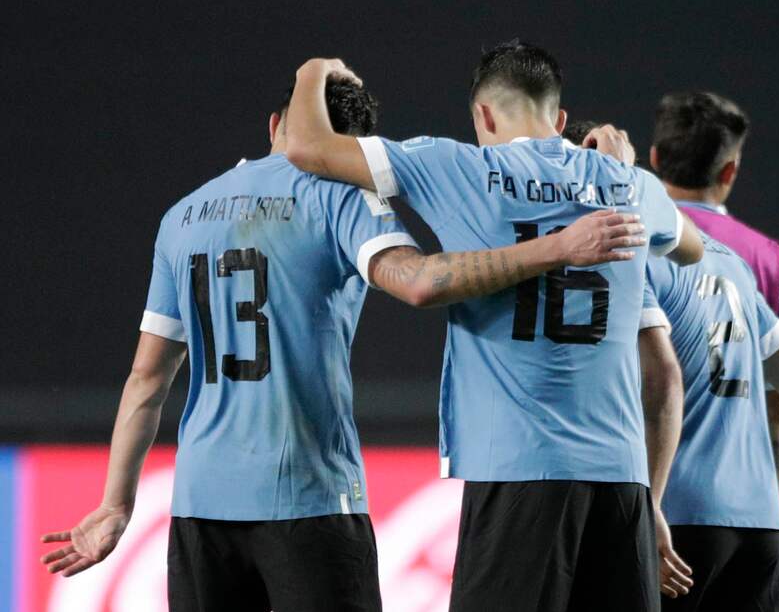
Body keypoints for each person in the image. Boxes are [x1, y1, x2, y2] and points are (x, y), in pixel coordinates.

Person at [38, 78, 645, 612]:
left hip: (200, 510)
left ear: (276, 125)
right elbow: (419, 282)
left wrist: (116, 505)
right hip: (310, 497)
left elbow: (147, 380)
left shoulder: (183, 215)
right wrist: (556, 247)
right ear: (351, 147)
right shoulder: (342, 194)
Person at [283, 40, 704, 612]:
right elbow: (693, 249)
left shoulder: (459, 166)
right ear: (558, 119)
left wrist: (314, 70)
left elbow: (307, 147)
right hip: (621, 481)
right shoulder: (631, 186)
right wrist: (619, 174)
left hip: (520, 471)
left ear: (483, 115)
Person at [640, 232, 779, 610]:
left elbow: (660, 380)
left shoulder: (637, 254)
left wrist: (646, 506)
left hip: (675, 516)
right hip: (758, 524)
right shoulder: (731, 263)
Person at [650, 92, 779, 486]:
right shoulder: (765, 259)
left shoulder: (626, 236)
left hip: (642, 488)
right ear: (729, 171)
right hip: (735, 495)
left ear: (653, 159)